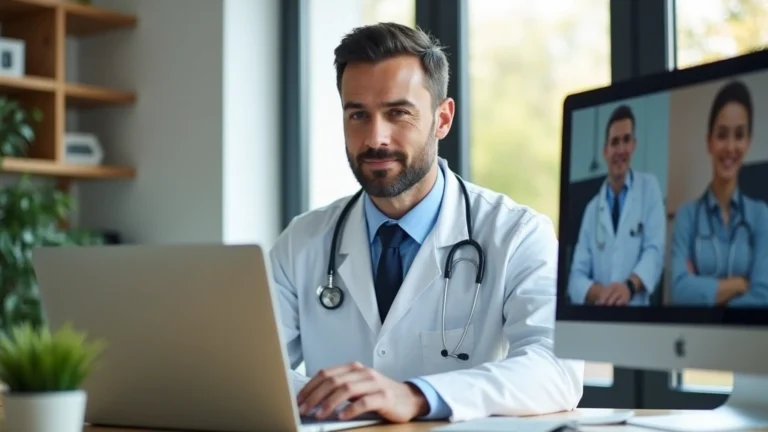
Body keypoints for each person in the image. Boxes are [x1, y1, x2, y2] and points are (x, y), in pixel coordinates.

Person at [268, 23, 584, 424]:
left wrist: (417, 396)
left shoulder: (517, 235)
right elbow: (245, 366)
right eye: (358, 115)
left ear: (443, 119)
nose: (375, 137)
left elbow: (557, 370)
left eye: (398, 113)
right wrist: (334, 399)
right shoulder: (303, 241)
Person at [669, 80, 768, 307]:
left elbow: (763, 296)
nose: (730, 147)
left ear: (748, 142)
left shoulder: (761, 215)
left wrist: (705, 297)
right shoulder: (687, 216)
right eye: (722, 135)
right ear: (709, 142)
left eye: (739, 135)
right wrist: (740, 285)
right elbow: (679, 291)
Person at [567, 105, 666, 306]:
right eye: (614, 142)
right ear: (605, 151)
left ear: (634, 145)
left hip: (637, 314)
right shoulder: (592, 209)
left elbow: (655, 252)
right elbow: (575, 279)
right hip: (600, 316)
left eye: (626, 140)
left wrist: (628, 287)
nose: (620, 149)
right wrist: (604, 294)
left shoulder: (649, 188)